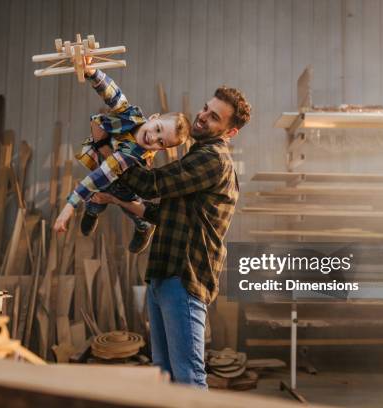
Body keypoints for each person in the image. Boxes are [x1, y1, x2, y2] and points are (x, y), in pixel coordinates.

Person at [90, 86, 251, 388]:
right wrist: (116, 200)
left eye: (214, 117)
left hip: (184, 278)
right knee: (163, 376)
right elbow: (160, 213)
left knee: (188, 378)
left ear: (229, 133)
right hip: (163, 275)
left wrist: (108, 153)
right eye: (205, 108)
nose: (202, 117)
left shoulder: (212, 160)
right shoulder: (197, 156)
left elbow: (151, 184)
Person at [53, 67, 190, 254]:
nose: (153, 138)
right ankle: (92, 211)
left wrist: (69, 206)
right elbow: (113, 94)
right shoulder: (132, 116)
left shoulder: (131, 155)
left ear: (162, 149)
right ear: (153, 118)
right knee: (95, 198)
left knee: (127, 205)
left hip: (126, 183)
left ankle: (144, 228)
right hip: (107, 163)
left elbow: (100, 176)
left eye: (161, 142)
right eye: (157, 129)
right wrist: (92, 72)